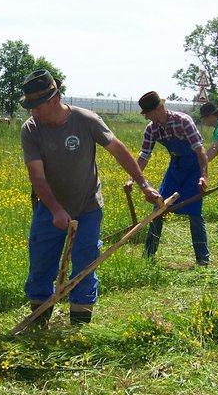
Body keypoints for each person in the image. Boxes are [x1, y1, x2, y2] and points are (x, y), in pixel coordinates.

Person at [20, 70, 160, 327]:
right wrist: (56, 210)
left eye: (36, 106)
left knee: (85, 264)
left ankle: (80, 328)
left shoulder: (85, 120)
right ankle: (38, 323)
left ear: (54, 99)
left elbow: (118, 149)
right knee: (41, 265)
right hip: (49, 209)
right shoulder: (31, 129)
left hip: (87, 207)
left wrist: (144, 185)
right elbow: (37, 178)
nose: (33, 112)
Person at [136, 91, 209, 263]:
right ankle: (148, 256)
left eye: (148, 113)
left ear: (159, 108)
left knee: (194, 212)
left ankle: (203, 260)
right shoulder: (152, 129)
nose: (146, 117)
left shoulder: (183, 121)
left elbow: (200, 151)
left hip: (193, 169)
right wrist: (133, 178)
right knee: (158, 209)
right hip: (175, 169)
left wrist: (204, 176)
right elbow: (144, 155)